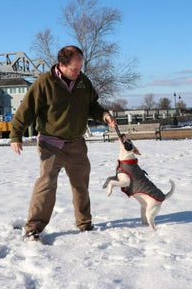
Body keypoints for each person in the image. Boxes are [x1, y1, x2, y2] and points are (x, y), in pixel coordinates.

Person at [10, 45, 116, 241]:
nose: (78, 72)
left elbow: (92, 105)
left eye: (80, 67)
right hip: (51, 144)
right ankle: (33, 228)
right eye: (74, 68)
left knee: (81, 185)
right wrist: (16, 136)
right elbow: (26, 110)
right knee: (47, 184)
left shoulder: (83, 82)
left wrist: (104, 115)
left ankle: (84, 223)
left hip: (76, 143)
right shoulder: (44, 83)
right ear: (61, 65)